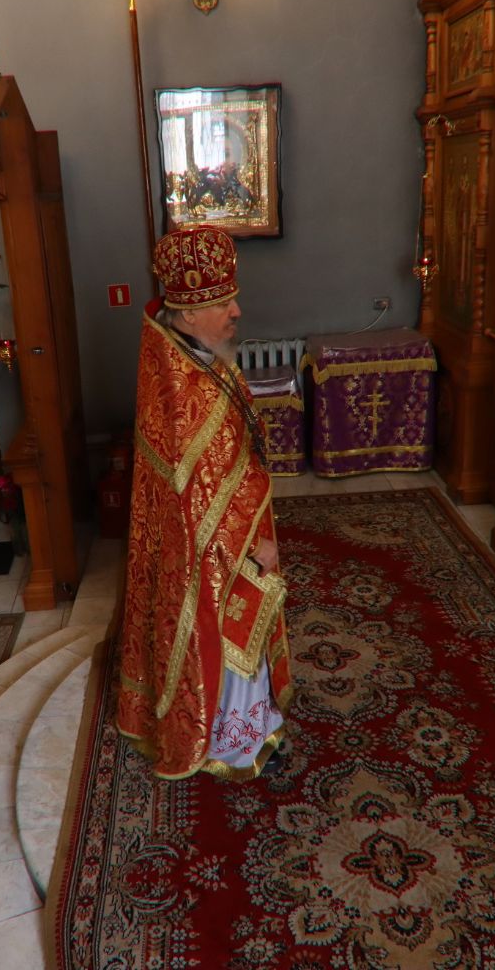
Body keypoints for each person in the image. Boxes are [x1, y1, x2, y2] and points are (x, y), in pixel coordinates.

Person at [116, 225, 292, 781]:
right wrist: (258, 546)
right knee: (222, 643)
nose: (236, 311)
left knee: (242, 637)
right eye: (223, 303)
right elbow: (203, 500)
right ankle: (228, 741)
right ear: (189, 313)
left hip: (230, 541)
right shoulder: (178, 384)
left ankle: (251, 723)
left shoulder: (196, 354)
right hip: (214, 559)